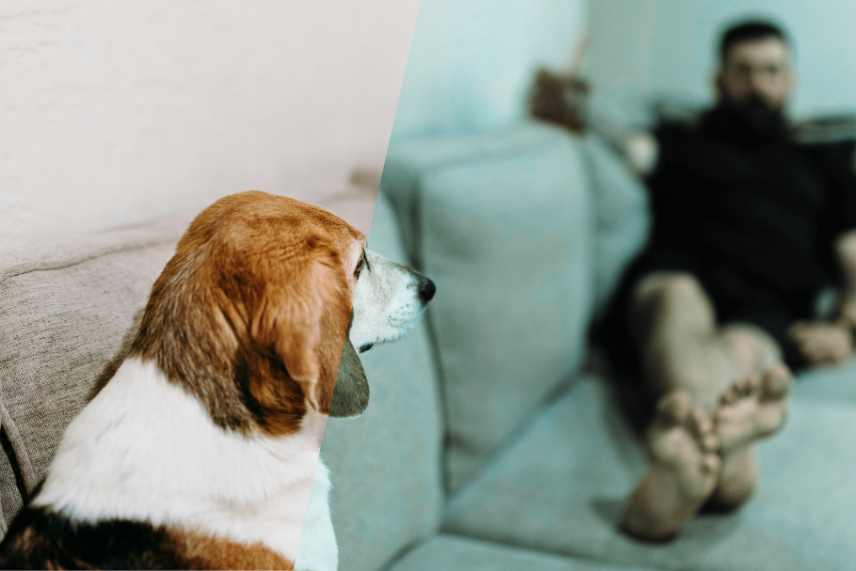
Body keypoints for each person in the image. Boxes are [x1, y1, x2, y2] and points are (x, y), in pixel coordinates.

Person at [531, 20, 856, 540]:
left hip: (770, 302)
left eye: (771, 71)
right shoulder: (680, 138)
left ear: (790, 80)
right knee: (674, 306)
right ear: (718, 80)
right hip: (676, 273)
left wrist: (847, 325)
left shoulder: (823, 158)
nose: (757, 84)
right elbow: (609, 128)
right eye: (743, 71)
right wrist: (570, 98)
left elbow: (852, 252)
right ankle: (730, 470)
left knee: (747, 349)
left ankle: (678, 477)